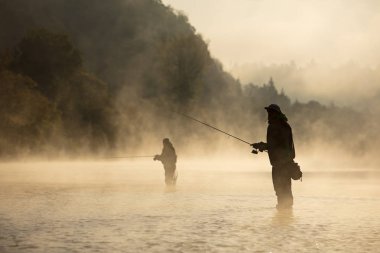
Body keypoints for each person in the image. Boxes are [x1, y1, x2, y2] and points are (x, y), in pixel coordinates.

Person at [251, 104, 297, 209]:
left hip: (279, 166)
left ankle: (282, 213)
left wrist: (261, 146)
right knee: (287, 190)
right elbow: (279, 146)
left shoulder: (273, 127)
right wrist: (263, 146)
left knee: (280, 190)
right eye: (268, 112)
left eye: (270, 113)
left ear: (275, 114)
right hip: (287, 164)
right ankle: (287, 215)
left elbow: (274, 146)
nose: (268, 115)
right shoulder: (286, 125)